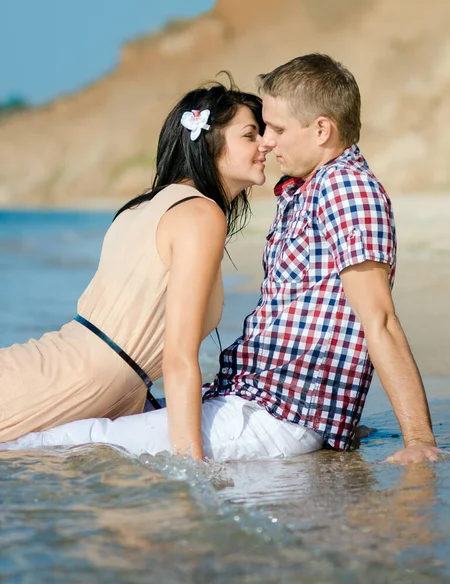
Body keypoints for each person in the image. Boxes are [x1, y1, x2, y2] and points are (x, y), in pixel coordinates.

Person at [2, 55, 441, 465]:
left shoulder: (343, 189)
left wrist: (418, 440)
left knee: (60, 449)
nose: (268, 143)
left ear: (322, 130)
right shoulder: (297, 194)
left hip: (277, 405)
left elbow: (377, 320)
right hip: (255, 396)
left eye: (275, 130)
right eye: (256, 132)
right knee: (63, 451)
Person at [0, 77, 268, 460]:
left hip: (65, 370)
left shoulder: (144, 206)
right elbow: (177, 357)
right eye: (250, 134)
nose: (266, 144)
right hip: (68, 383)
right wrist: (192, 471)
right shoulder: (199, 214)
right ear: (210, 143)